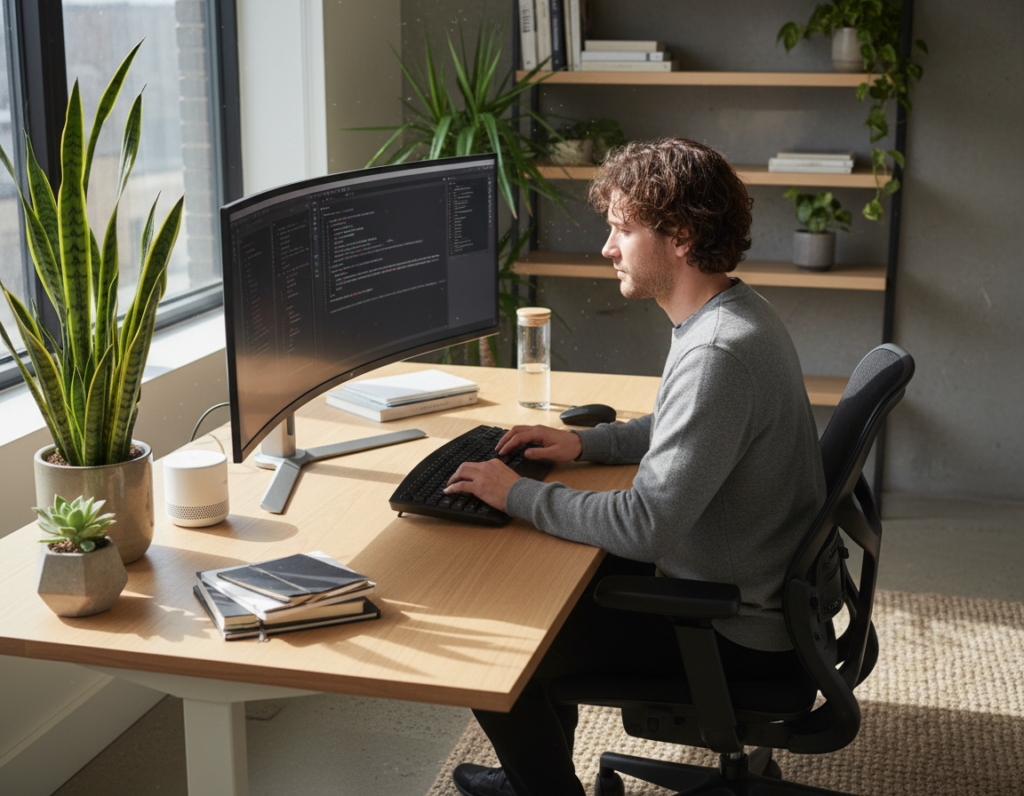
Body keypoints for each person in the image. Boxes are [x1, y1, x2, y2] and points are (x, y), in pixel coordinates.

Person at [446, 138, 827, 796]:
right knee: (541, 582)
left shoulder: (716, 353)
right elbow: (692, 430)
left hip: (730, 627)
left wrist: (516, 495)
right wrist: (588, 446)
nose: (607, 248)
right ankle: (533, 779)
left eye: (622, 229)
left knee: (501, 649)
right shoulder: (735, 314)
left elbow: (646, 522)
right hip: (747, 583)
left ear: (679, 238)